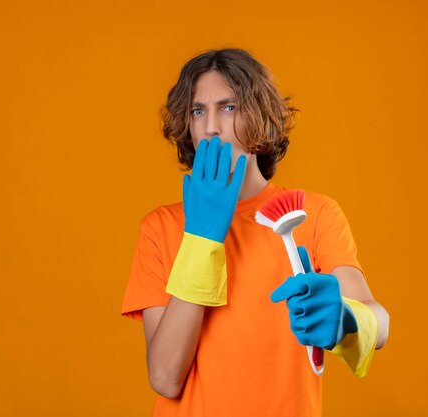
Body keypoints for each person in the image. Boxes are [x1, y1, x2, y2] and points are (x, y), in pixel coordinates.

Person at [121, 48, 390, 417]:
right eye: (199, 111)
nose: (211, 126)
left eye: (228, 108)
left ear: (259, 117)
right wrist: (202, 237)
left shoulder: (312, 214)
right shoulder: (161, 228)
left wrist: (346, 319)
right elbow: (166, 377)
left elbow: (379, 321)